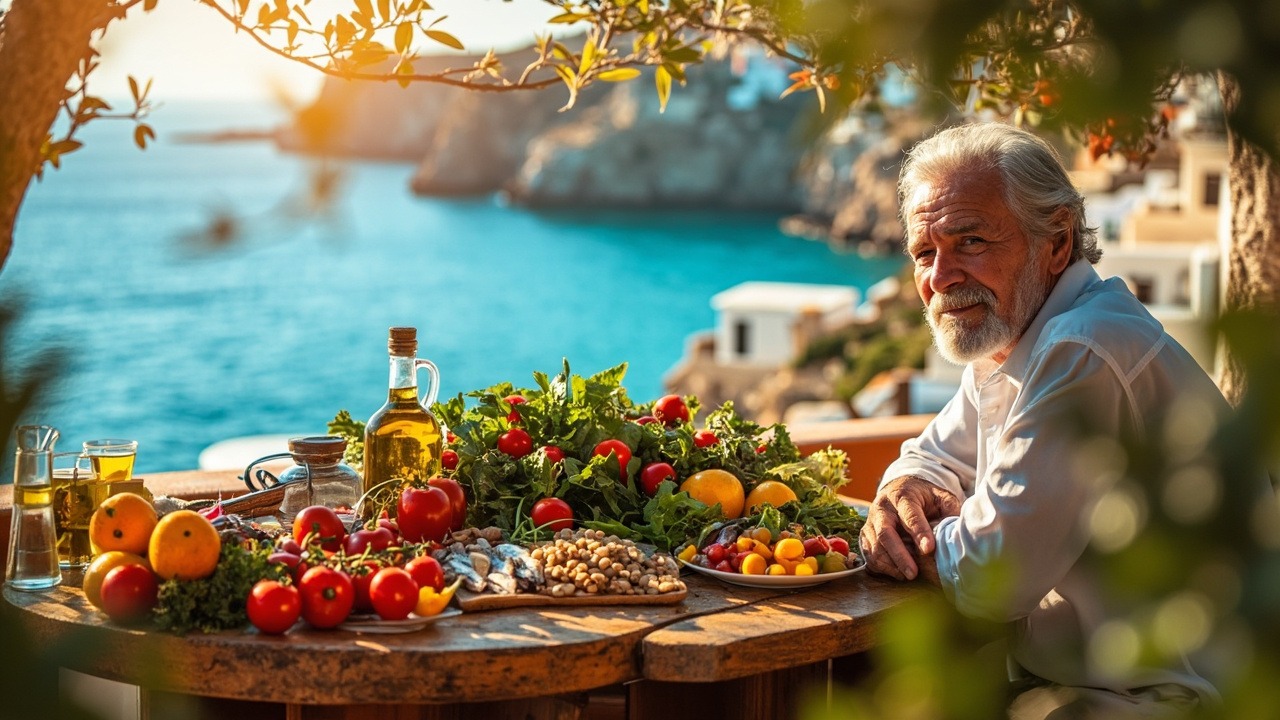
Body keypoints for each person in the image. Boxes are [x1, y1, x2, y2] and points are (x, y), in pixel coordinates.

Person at [858, 122, 1244, 718]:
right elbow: (932, 457)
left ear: (1057, 241)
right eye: (924, 253)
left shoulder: (1083, 346)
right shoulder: (1013, 339)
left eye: (971, 242)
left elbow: (993, 579)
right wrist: (902, 489)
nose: (940, 278)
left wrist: (928, 535)